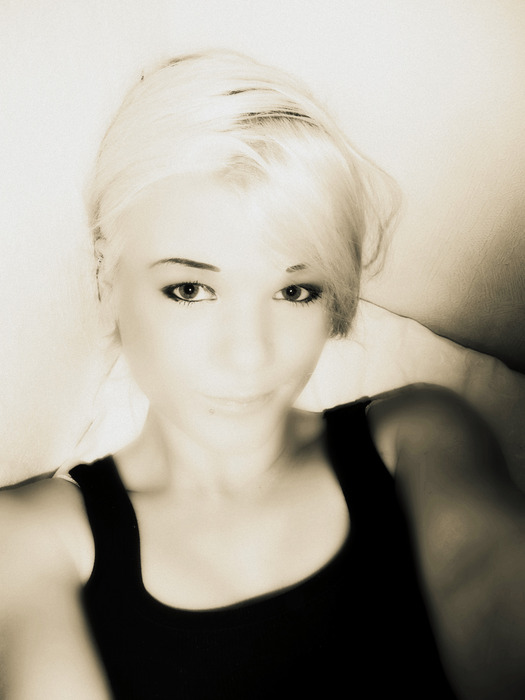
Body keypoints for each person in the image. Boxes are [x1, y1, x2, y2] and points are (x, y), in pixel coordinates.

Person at [1, 49, 524, 700]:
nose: (248, 354)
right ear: (109, 283)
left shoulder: (416, 435)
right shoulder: (34, 536)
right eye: (190, 290)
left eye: (294, 291)